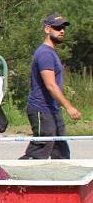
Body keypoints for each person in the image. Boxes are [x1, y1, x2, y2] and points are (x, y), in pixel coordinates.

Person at [21, 14, 82, 159]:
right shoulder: (44, 53)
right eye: (57, 27)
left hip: (52, 110)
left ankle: (65, 181)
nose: (62, 31)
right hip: (42, 109)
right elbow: (50, 85)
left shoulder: (51, 52)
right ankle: (15, 178)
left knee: (61, 153)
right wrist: (69, 107)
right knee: (39, 151)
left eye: (63, 27)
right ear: (47, 29)